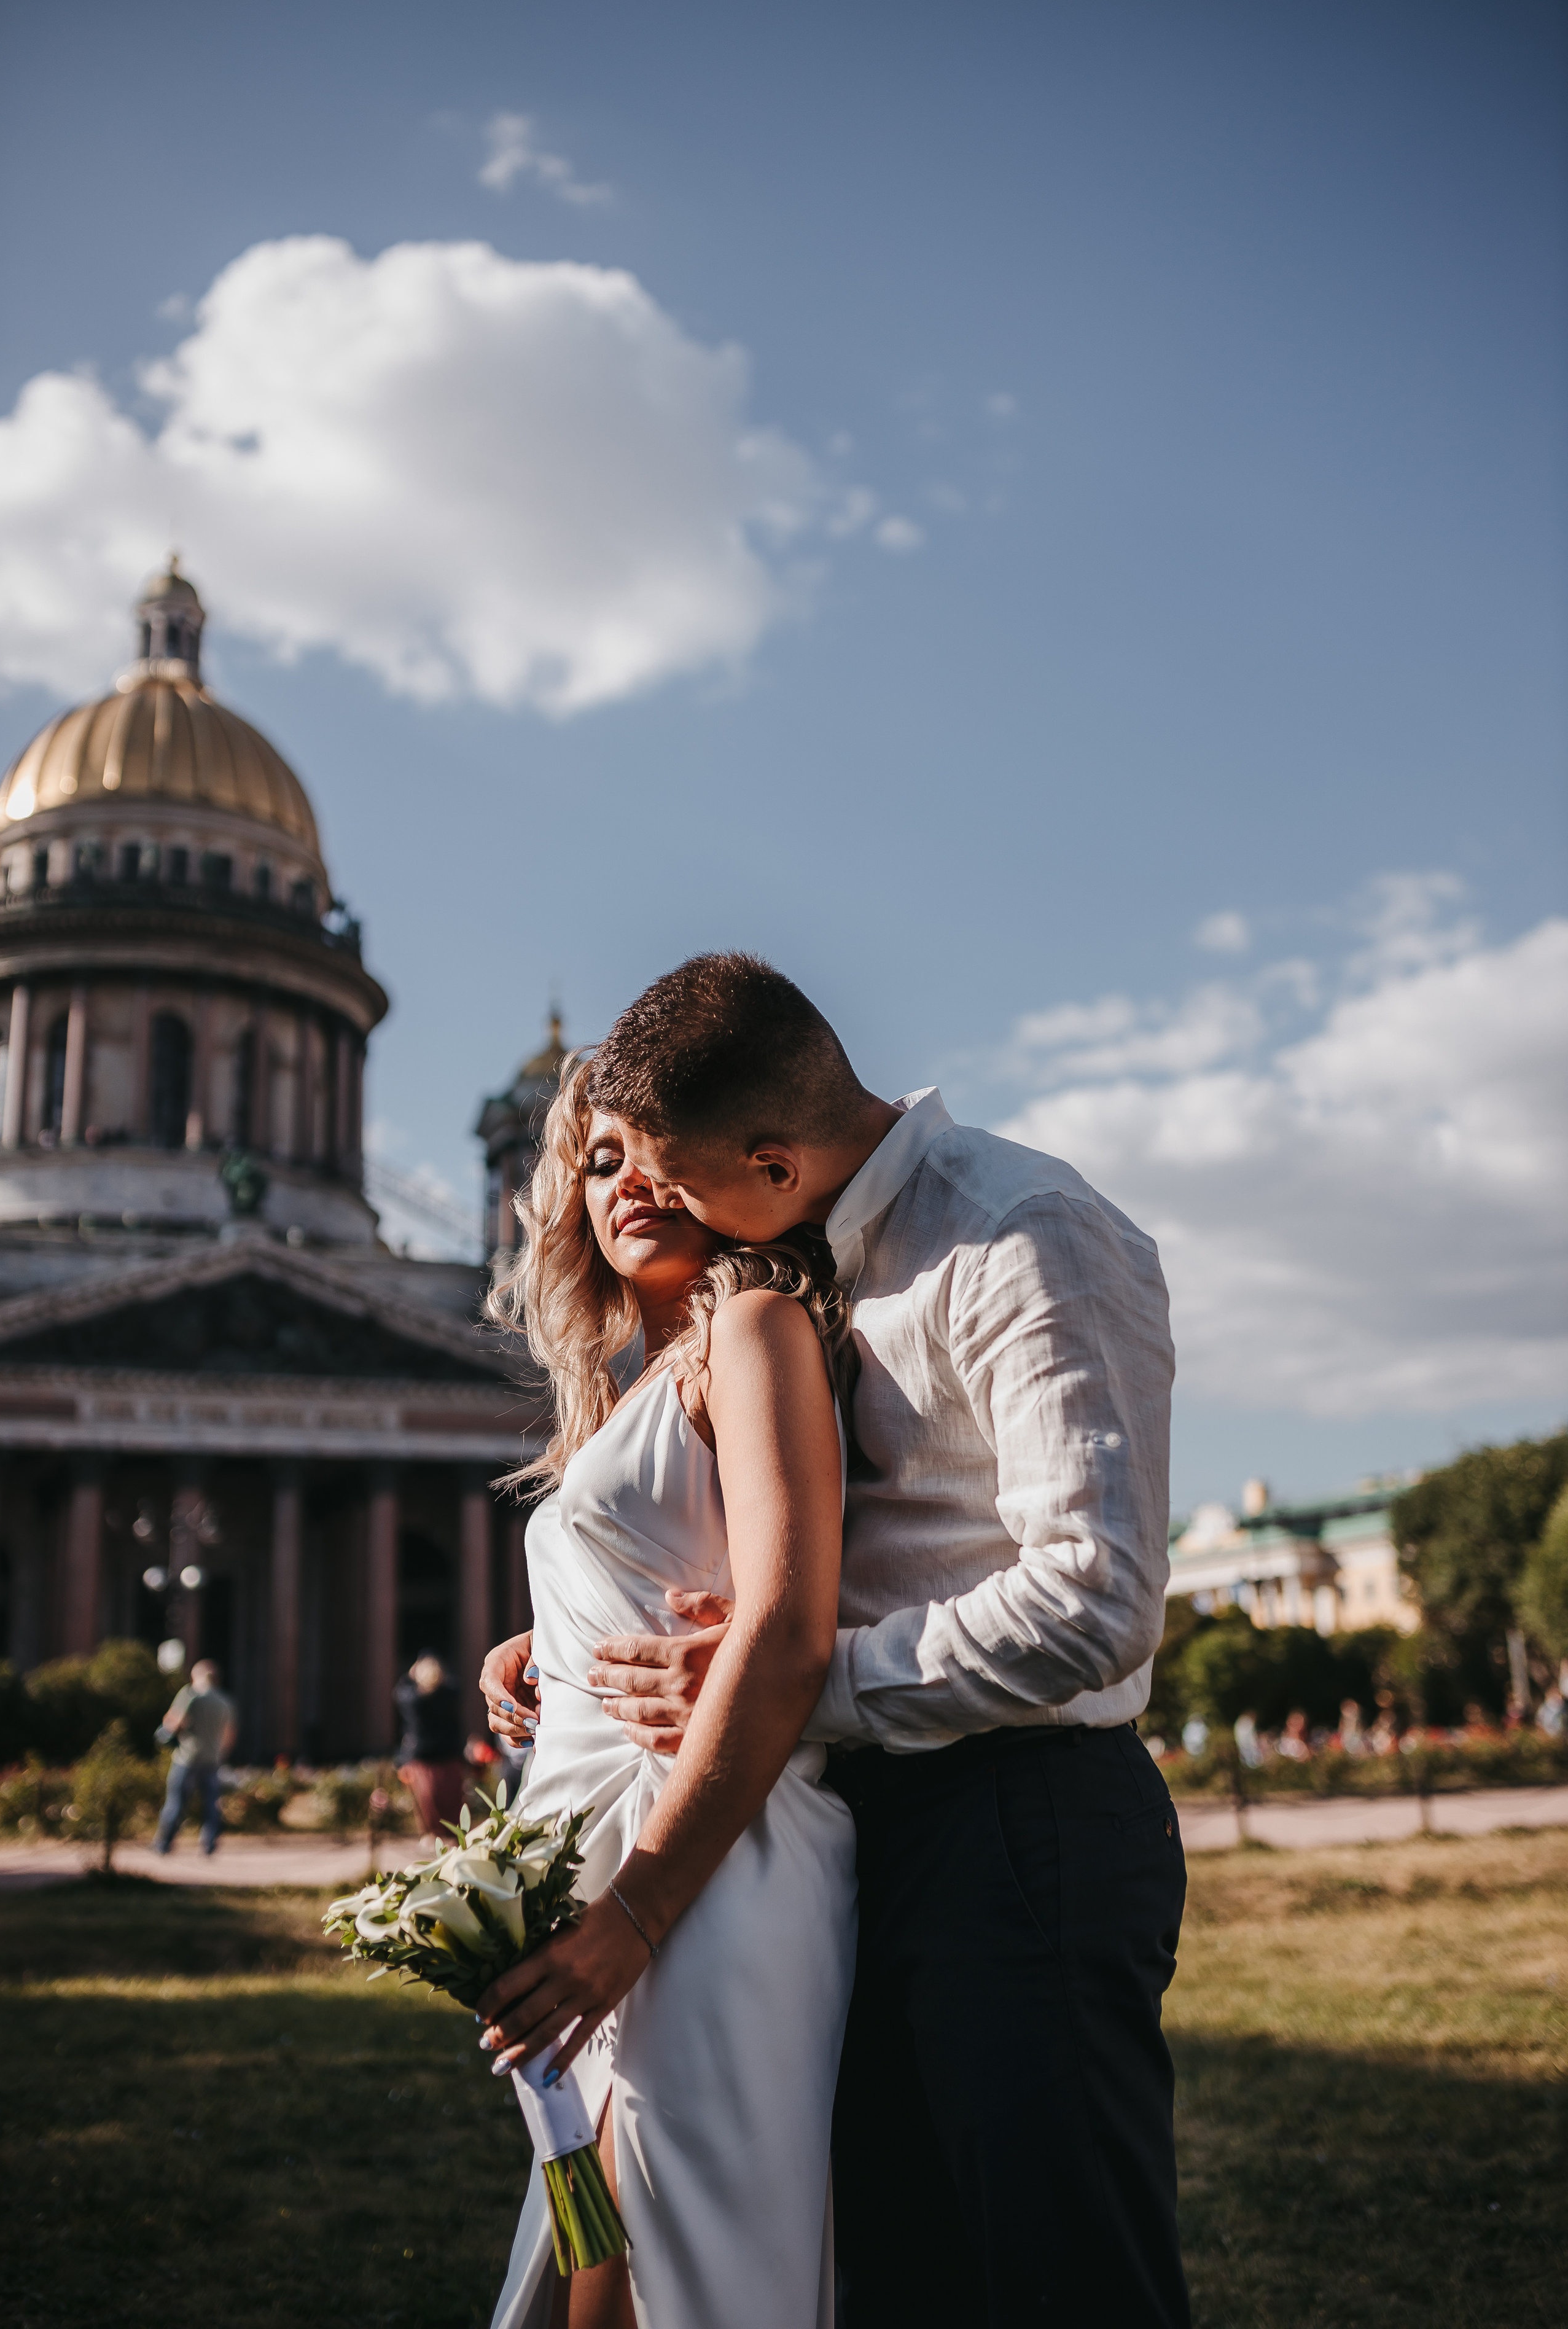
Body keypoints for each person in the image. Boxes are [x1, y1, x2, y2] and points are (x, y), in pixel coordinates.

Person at [485, 954, 1189, 2329]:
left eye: (676, 1182)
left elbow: (1096, 1599)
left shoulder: (1018, 1229)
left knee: (1059, 2274)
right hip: (851, 1819)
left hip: (1016, 1818)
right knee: (891, 2275)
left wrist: (792, 1684)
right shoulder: (806, 1259)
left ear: (765, 1155)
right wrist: (569, 1648)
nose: (648, 1202)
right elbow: (755, 1542)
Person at [478, 1053, 856, 2329]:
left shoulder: (748, 1329)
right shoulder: (619, 1390)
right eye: (595, 1162)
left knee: (676, 2256)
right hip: (608, 1855)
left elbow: (786, 1616)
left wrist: (632, 1918)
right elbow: (666, 1565)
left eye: (652, 1151)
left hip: (705, 1857)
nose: (627, 1182)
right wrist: (539, 1650)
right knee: (598, 2240)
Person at [152, 1657, 236, 1855]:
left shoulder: (190, 1695)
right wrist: (220, 1754)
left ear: (197, 1676)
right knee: (211, 1804)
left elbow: (174, 1722)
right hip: (213, 1759)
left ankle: (164, 1843)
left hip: (187, 1757)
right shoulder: (226, 1701)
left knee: (176, 1802)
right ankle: (209, 1844)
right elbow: (230, 1734)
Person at [394, 1653, 467, 1840]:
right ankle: (454, 1837)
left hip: (423, 1758)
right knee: (451, 1802)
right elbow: (455, 1685)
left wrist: (410, 1675)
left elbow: (400, 1691)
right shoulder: (449, 1695)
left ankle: (433, 1836)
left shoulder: (413, 1700)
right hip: (447, 1755)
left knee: (428, 1804)